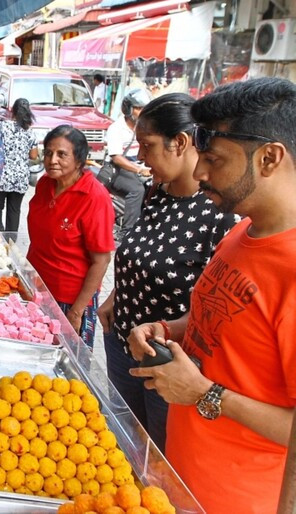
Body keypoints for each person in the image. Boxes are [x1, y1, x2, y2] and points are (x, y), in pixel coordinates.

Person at [127, 78, 296, 513]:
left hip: (237, 499)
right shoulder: (243, 230)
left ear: (270, 158)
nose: (200, 173)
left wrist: (204, 393)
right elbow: (221, 321)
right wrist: (166, 328)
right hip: (183, 476)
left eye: (214, 159)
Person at [96, 93, 237, 451]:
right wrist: (116, 294)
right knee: (120, 441)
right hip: (122, 338)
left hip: (168, 365)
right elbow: (139, 252)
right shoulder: (156, 191)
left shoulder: (219, 213)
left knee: (157, 458)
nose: (140, 156)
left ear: (180, 143)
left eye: (147, 145)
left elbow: (215, 303)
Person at [28, 125, 114, 348]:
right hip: (36, 288)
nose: (52, 160)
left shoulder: (94, 197)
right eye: (48, 153)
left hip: (70, 299)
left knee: (69, 365)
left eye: (61, 154)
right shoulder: (45, 183)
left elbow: (102, 260)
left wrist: (76, 313)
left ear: (79, 160)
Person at [104, 88, 152, 243]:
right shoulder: (117, 128)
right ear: (128, 109)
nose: (142, 112)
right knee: (136, 190)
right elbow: (116, 157)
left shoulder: (144, 127)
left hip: (141, 168)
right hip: (117, 170)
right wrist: (139, 169)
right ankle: (127, 232)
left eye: (144, 108)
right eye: (138, 108)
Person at [0, 98, 38, 232]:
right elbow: (33, 156)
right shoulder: (30, 132)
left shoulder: (0, 126)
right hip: (19, 178)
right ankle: (11, 239)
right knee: (14, 210)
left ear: (12, 111)